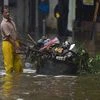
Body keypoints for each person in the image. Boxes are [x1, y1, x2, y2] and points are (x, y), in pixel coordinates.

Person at [0, 6, 23, 74]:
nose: (8, 13)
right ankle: (8, 82)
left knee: (18, 65)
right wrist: (16, 45)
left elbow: (15, 33)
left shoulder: (12, 21)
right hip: (7, 44)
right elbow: (8, 37)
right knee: (9, 66)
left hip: (15, 42)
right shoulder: (3, 24)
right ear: (2, 14)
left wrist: (19, 42)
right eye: (6, 12)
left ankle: (16, 80)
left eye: (8, 12)